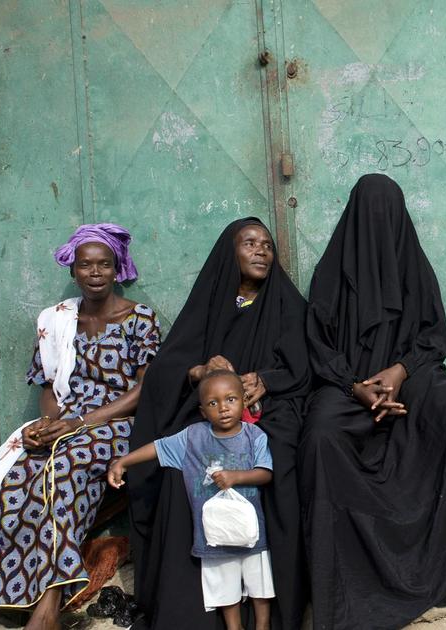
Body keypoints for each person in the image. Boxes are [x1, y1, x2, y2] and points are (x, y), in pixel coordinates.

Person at [0, 224, 160, 630]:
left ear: (117, 269)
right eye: (86, 265)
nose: (95, 273)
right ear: (73, 271)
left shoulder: (139, 318)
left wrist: (79, 422)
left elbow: (146, 390)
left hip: (118, 425)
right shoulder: (58, 321)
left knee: (63, 469)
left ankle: (47, 608)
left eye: (104, 265)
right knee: (0, 480)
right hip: (67, 424)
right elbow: (49, 387)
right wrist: (47, 423)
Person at [299, 173, 446, 628]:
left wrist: (400, 370)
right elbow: (319, 345)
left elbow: (434, 336)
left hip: (411, 377)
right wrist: (355, 386)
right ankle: (345, 584)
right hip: (348, 384)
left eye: (388, 214)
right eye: (369, 215)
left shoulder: (414, 269)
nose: (378, 226)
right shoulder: (331, 276)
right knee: (320, 435)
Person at [127, 218, 310, 630]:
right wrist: (199, 372)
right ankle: (190, 611)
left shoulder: (288, 305)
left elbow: (306, 365)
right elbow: (165, 368)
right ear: (231, 253)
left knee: (280, 457)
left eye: (267, 245)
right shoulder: (210, 303)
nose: (261, 251)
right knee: (181, 469)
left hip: (269, 412)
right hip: (213, 413)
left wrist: (268, 380)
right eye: (250, 243)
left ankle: (272, 608)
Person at [110, 370, 275, 630]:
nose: (223, 408)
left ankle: (262, 626)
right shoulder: (193, 437)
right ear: (202, 411)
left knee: (260, 583)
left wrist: (236, 477)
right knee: (224, 587)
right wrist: (123, 462)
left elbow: (265, 473)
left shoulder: (254, 436)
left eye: (231, 399)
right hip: (215, 535)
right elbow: (158, 448)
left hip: (251, 532)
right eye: (213, 403)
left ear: (244, 401)